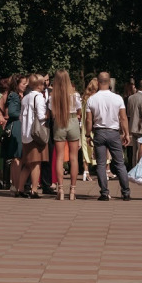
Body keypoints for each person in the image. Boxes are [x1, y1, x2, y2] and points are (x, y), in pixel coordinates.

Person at [85, 72, 132, 202]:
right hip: (113, 132)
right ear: (109, 82)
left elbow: (89, 120)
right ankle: (126, 192)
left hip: (99, 132)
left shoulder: (92, 99)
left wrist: (88, 135)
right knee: (119, 163)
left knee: (100, 164)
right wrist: (126, 133)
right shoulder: (117, 98)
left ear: (98, 82)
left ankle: (104, 193)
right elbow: (123, 117)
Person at [49, 70, 84, 201]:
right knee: (73, 157)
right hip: (73, 121)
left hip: (59, 122)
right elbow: (79, 111)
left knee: (59, 157)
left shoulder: (53, 96)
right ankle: (73, 190)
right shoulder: (75, 95)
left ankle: (61, 189)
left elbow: (52, 112)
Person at [15, 73, 50, 197]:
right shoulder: (39, 97)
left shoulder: (25, 98)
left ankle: (20, 189)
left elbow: (20, 117)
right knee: (36, 163)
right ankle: (34, 190)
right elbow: (41, 117)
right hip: (36, 134)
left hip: (25, 133)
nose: (44, 85)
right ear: (39, 85)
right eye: (42, 83)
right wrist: (48, 114)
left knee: (27, 164)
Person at [0, 74, 24, 192]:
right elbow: (12, 112)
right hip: (16, 126)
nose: (26, 85)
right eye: (23, 83)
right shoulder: (14, 96)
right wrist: (24, 115)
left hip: (16, 126)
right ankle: (16, 185)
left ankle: (15, 185)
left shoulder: (16, 95)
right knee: (16, 157)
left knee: (15, 158)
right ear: (17, 85)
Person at [81, 76, 98, 181]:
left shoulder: (84, 98)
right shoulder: (94, 99)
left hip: (84, 127)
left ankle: (86, 171)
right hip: (92, 126)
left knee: (85, 150)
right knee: (95, 148)